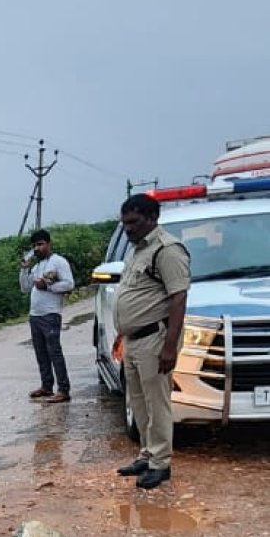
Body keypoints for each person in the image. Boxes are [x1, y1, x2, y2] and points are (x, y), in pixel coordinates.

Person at [114, 193, 190, 490]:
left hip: (155, 339)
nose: (128, 229)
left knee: (157, 403)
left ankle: (161, 464)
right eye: (124, 224)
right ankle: (147, 455)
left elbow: (179, 298)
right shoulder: (137, 250)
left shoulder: (167, 250)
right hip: (133, 340)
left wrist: (169, 346)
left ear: (152, 219)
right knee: (138, 402)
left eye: (133, 222)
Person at [19, 229, 75, 403]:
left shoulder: (58, 262)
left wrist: (49, 287)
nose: (37, 248)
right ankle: (46, 386)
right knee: (41, 352)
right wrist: (24, 271)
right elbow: (26, 288)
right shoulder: (37, 266)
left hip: (50, 314)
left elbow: (69, 284)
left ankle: (63, 389)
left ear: (49, 244)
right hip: (35, 315)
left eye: (40, 244)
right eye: (35, 245)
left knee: (54, 352)